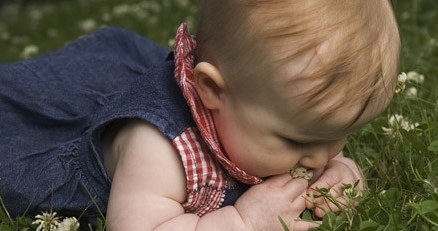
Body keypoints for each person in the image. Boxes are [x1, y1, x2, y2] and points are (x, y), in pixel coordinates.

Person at [0, 0, 400, 230]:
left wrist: (344, 176)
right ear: (211, 91)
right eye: (296, 141)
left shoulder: (271, 113)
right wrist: (242, 222)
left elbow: (323, 155)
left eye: (338, 135)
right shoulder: (159, 149)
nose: (317, 158)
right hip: (54, 139)